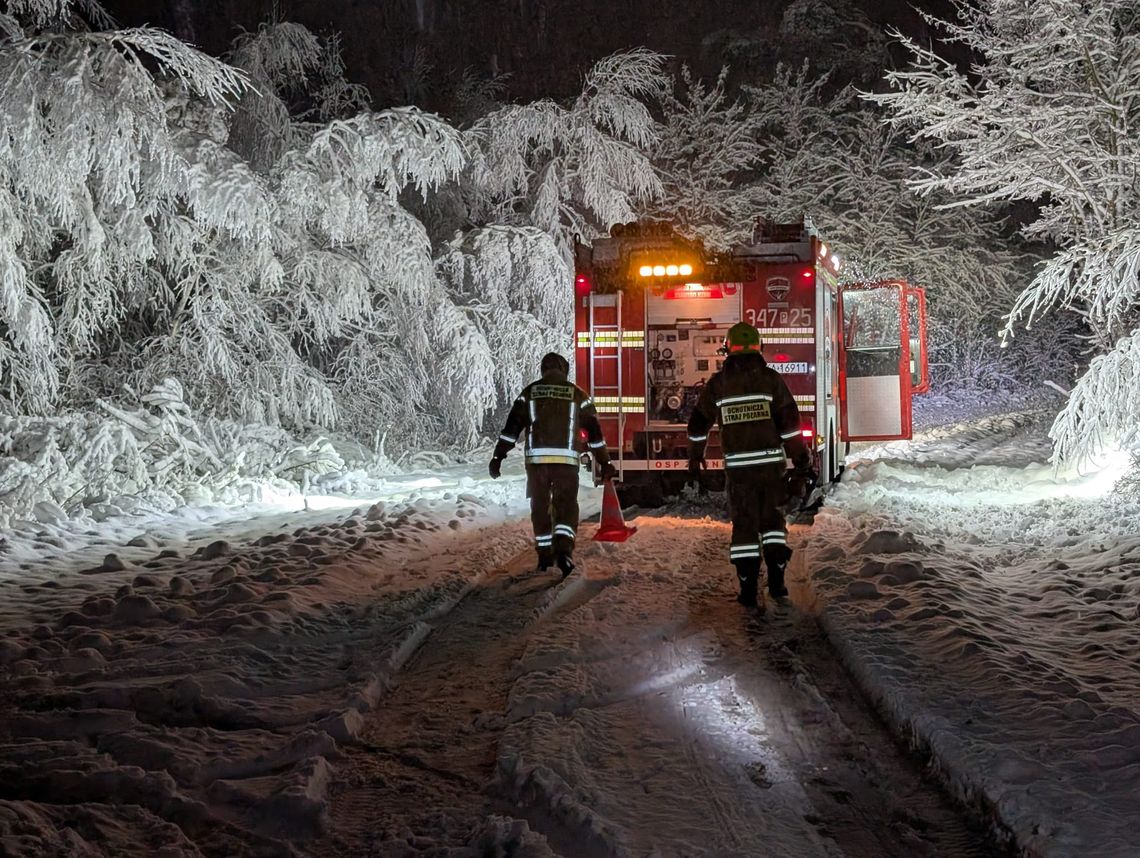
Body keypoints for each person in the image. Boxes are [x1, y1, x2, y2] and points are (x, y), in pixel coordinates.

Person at [686, 322, 815, 606]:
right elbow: (791, 428)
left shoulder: (718, 385)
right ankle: (778, 585)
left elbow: (697, 425)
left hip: (739, 474)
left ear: (727, 349)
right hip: (771, 471)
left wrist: (695, 457)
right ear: (759, 348)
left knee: (744, 529)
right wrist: (802, 463)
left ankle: (747, 590)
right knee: (772, 524)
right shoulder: (771, 380)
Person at [489, 352, 617, 576]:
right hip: (566, 464)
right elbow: (595, 435)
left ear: (543, 369)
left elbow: (511, 430)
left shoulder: (529, 393)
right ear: (564, 369)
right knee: (566, 506)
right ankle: (564, 551)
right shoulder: (579, 395)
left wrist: (498, 456)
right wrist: (605, 461)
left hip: (537, 465)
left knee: (540, 507)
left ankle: (544, 555)